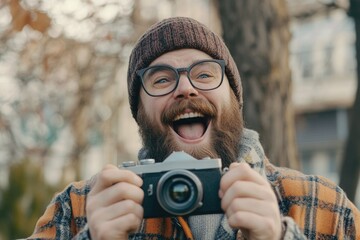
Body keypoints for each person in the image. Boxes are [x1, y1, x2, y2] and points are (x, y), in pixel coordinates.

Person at [28, 17, 359, 240]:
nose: (185, 88)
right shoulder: (76, 209)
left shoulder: (323, 204)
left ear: (234, 96)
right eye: (161, 80)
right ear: (139, 112)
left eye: (204, 74)